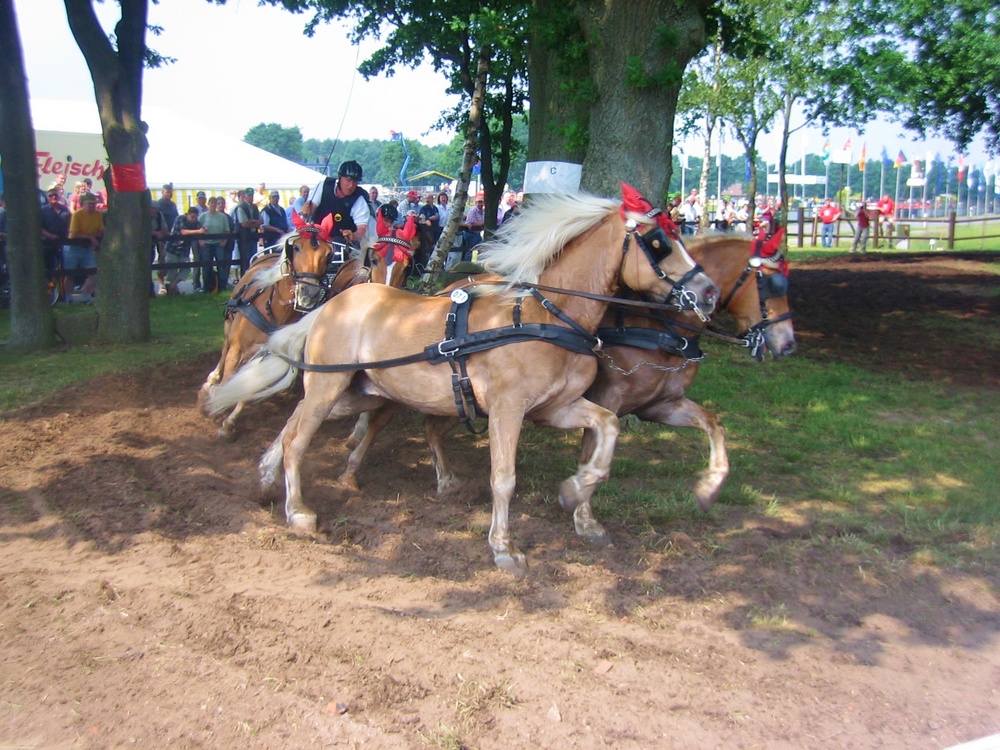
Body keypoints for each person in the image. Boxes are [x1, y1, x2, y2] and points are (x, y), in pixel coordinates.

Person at [306, 160, 370, 245]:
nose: (351, 185)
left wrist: (353, 235)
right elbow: (311, 208)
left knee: (338, 242)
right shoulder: (323, 186)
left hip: (342, 245)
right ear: (339, 177)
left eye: (355, 182)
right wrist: (307, 209)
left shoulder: (359, 200)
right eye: (348, 180)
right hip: (316, 238)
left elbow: (362, 229)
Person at [66, 193, 104, 297]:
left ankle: (85, 296)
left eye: (94, 203)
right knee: (70, 274)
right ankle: (67, 297)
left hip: (88, 248)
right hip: (74, 247)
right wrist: (90, 237)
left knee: (93, 272)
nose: (92, 206)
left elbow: (101, 230)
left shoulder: (98, 214)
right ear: (83, 204)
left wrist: (91, 237)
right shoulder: (77, 214)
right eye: (89, 204)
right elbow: (73, 233)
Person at [164, 205, 206, 294]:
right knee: (172, 270)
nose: (193, 219)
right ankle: (172, 290)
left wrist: (201, 239)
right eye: (192, 217)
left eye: (195, 217)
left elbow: (200, 230)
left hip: (184, 250)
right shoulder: (180, 219)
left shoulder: (196, 223)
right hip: (173, 249)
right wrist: (198, 231)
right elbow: (183, 231)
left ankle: (172, 286)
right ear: (187, 215)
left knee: (186, 269)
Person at [199, 197, 231, 293]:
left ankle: (222, 286)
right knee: (206, 265)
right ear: (208, 204)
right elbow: (198, 230)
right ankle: (206, 286)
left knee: (221, 265)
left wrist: (224, 241)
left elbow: (227, 230)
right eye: (211, 203)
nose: (213, 204)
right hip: (207, 244)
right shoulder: (203, 216)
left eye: (215, 203)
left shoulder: (222, 217)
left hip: (218, 244)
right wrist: (200, 241)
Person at [41, 188, 71, 282]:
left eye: (56, 195)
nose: (53, 197)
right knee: (49, 267)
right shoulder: (43, 211)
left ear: (59, 196)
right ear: (47, 197)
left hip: (64, 242)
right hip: (48, 243)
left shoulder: (65, 209)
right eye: (51, 195)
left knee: (65, 266)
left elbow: (70, 224)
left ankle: (63, 289)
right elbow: (39, 228)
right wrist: (50, 235)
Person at [232, 187, 263, 274]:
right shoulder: (240, 207)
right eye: (249, 195)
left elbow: (261, 221)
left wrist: (252, 222)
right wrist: (254, 222)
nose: (251, 197)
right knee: (244, 260)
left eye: (252, 195)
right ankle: (244, 278)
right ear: (245, 196)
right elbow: (243, 224)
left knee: (253, 258)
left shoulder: (255, 207)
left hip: (253, 236)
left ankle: (252, 277)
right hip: (243, 237)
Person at [156, 184, 179, 290]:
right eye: (167, 192)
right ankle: (161, 285)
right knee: (163, 260)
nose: (169, 194)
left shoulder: (173, 205)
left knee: (173, 260)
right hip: (163, 237)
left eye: (170, 192)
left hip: (173, 236)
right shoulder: (159, 205)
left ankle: (171, 284)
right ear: (162, 192)